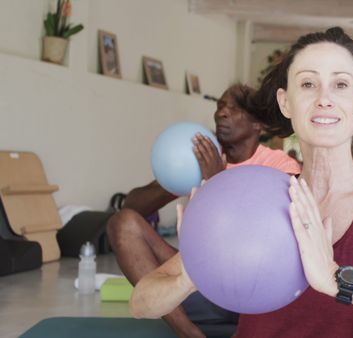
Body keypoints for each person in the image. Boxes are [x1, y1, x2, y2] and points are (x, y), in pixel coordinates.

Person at [130, 27, 353, 337]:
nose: (324, 98)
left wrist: (337, 280)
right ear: (286, 102)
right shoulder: (251, 197)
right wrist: (195, 270)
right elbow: (142, 303)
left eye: (340, 85)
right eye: (308, 84)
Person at [107, 83, 301, 338]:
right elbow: (133, 205)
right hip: (197, 284)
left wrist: (216, 180)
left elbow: (275, 238)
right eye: (220, 106)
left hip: (255, 293)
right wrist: (177, 180)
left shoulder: (278, 164)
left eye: (235, 108)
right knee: (122, 223)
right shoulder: (201, 159)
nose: (222, 113)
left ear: (257, 124)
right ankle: (189, 333)